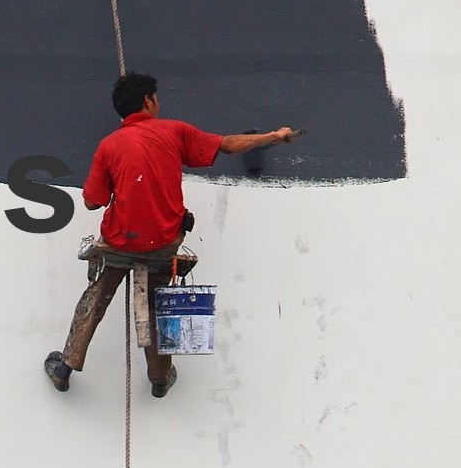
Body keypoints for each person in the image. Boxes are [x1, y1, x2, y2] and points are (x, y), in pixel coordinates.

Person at [45, 71, 295, 397]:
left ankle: (65, 367)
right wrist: (273, 137)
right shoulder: (174, 132)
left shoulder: (109, 146)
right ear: (148, 101)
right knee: (155, 309)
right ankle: (160, 379)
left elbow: (92, 201)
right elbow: (229, 144)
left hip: (120, 243)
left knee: (95, 299)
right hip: (162, 246)